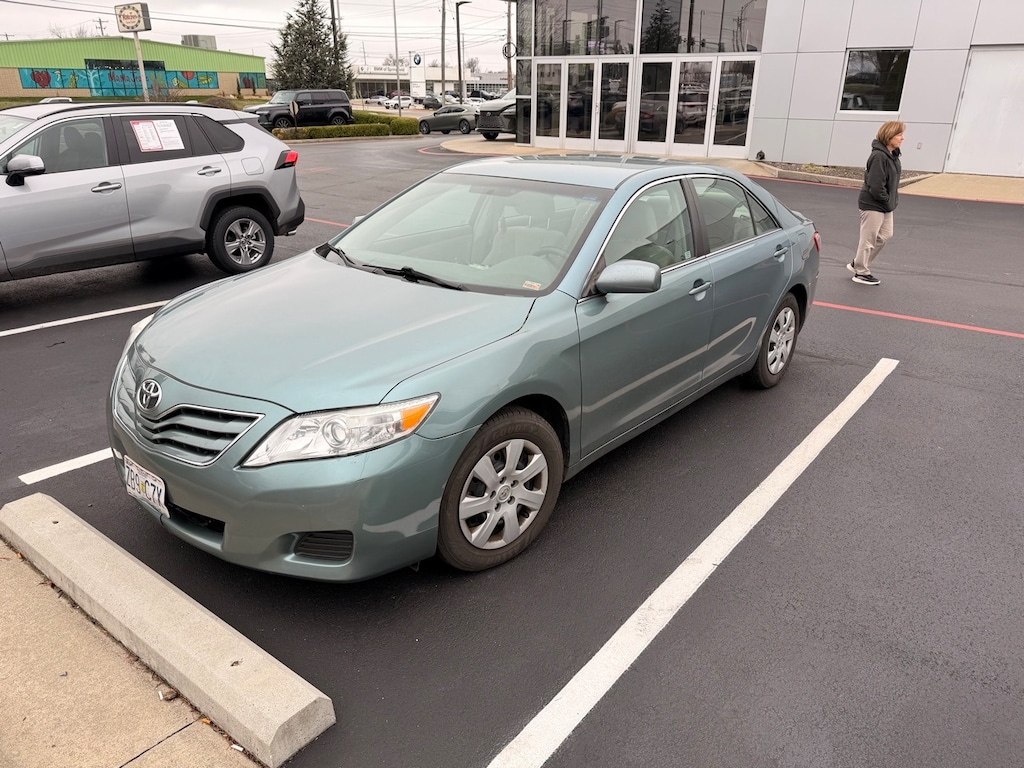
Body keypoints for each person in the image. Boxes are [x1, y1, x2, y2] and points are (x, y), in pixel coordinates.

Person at [848, 120, 905, 286]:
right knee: (868, 239)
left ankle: (857, 263)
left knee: (885, 235)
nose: (902, 138)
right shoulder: (879, 156)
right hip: (873, 204)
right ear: (889, 136)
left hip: (885, 205)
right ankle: (861, 272)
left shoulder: (893, 156)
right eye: (899, 135)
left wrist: (891, 201)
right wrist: (887, 200)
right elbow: (875, 185)